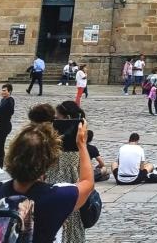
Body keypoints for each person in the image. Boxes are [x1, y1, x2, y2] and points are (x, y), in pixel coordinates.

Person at [0, 117, 93, 243]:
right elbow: (88, 183)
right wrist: (82, 145)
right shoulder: (57, 196)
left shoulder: (0, 191)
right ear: (49, 161)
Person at [45, 101, 89, 243]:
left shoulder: (61, 145)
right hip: (72, 189)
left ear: (67, 118)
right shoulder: (79, 144)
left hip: (61, 187)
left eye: (58, 118)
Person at [0, 83, 15, 173]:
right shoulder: (2, 100)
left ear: (9, 91)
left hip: (4, 125)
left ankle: (0, 166)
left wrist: (0, 118)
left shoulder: (10, 100)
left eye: (5, 90)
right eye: (2, 90)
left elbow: (10, 112)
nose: (3, 92)